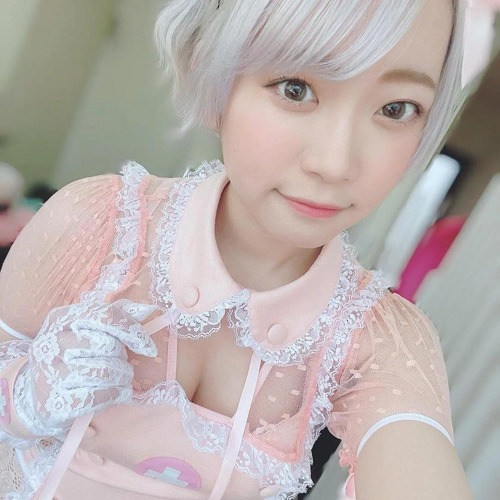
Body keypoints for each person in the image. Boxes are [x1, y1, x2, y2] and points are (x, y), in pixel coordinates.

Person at [0, 1, 475, 498]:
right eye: (295, 88)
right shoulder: (98, 226)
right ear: (216, 78)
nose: (334, 164)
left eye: (396, 109)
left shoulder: (381, 340)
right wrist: (26, 395)